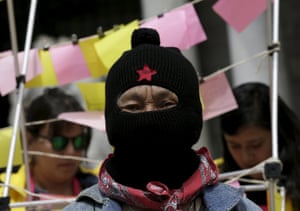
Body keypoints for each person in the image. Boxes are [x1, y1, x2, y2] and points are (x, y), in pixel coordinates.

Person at [62, 28, 261, 210]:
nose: (150, 116)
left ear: (193, 114)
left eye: (166, 104)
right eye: (133, 107)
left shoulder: (239, 208)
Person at [0, 88, 99, 210]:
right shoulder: (4, 192)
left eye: (79, 141)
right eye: (59, 142)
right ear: (29, 141)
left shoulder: (102, 189)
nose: (71, 151)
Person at [219, 82, 300, 211]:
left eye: (255, 145)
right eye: (234, 146)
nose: (245, 157)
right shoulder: (213, 179)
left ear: (279, 134)